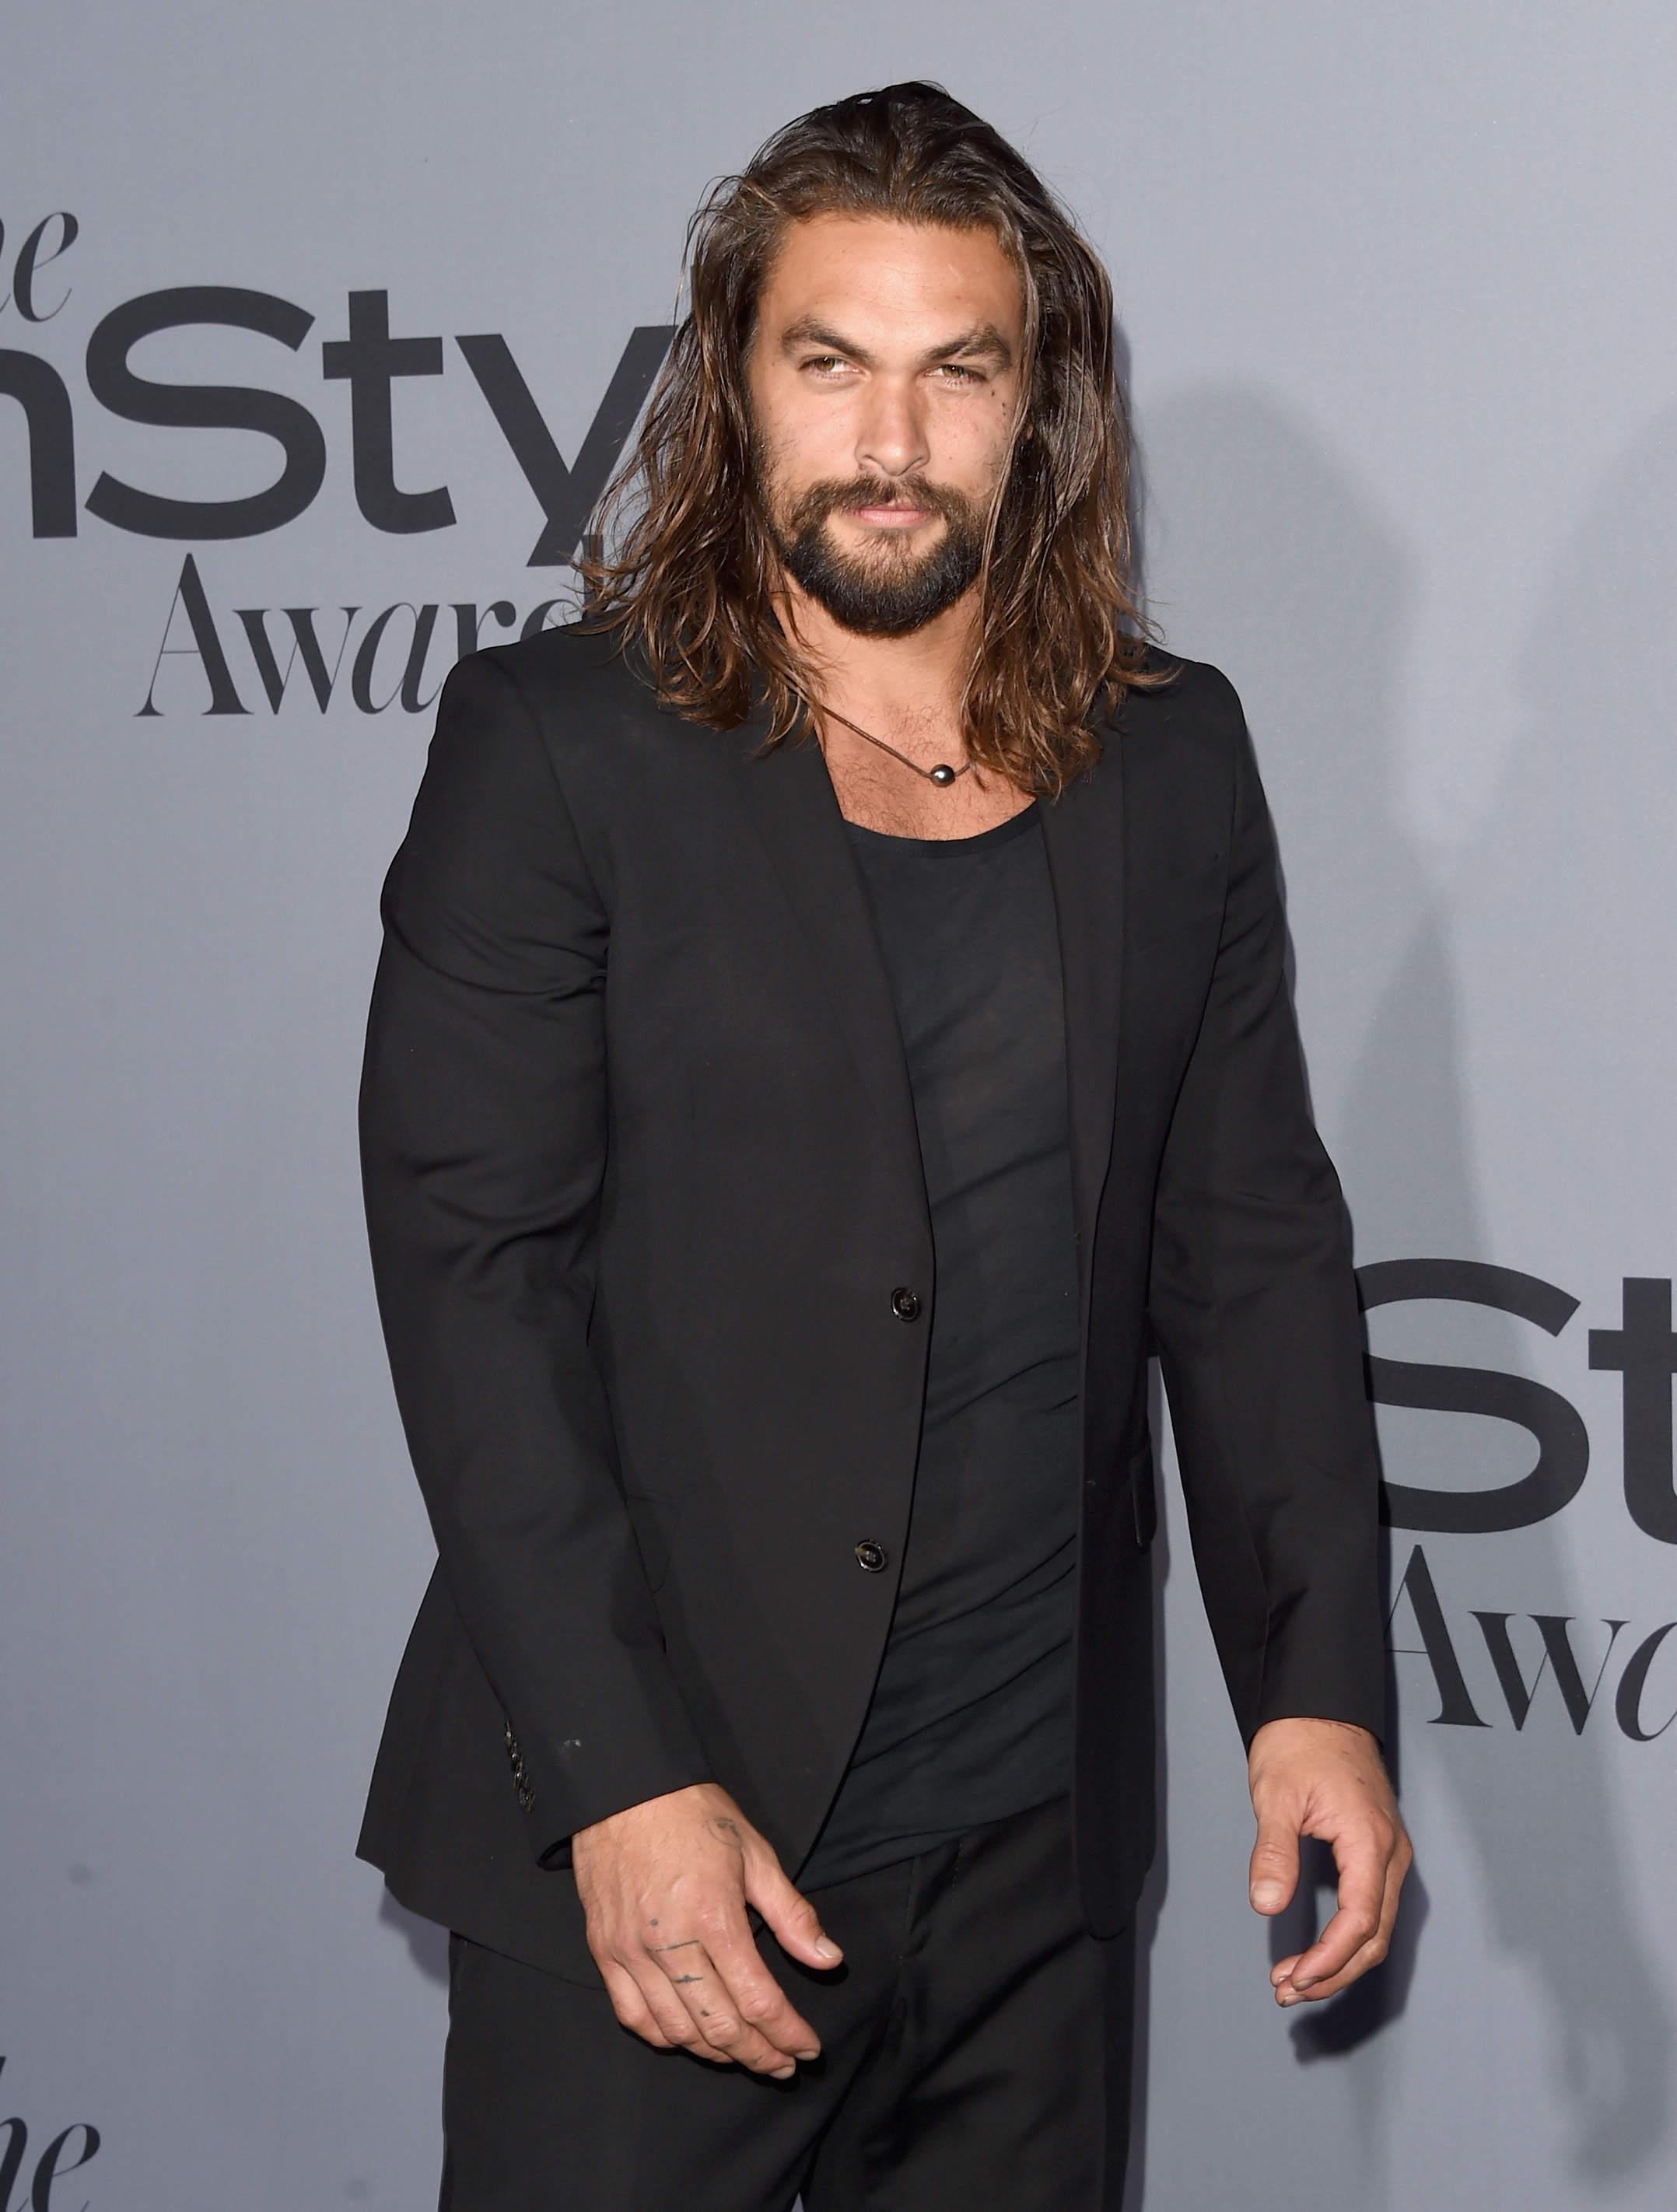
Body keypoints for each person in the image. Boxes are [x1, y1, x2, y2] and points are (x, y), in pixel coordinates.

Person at [357, 80, 1410, 2212]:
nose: (893, 440)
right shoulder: (560, 750)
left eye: (961, 370)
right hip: (670, 1850)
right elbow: (478, 1298)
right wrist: (621, 1784)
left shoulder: (1170, 758)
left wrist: (1313, 1689)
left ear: (1044, 406)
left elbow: (1247, 1247)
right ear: (734, 382)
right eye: (829, 362)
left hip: (1029, 1873)